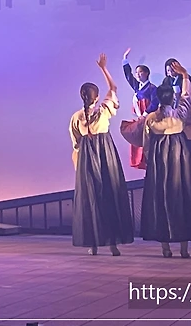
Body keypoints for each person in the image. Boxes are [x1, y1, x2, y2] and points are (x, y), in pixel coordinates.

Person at [139, 63, 191, 258]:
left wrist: (150, 159)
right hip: (179, 154)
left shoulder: (152, 118)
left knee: (161, 196)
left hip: (159, 156)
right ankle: (184, 249)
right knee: (183, 194)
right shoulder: (179, 113)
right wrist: (184, 76)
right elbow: (187, 97)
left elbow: (146, 143)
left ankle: (165, 248)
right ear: (172, 98)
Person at [70, 53, 135, 256]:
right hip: (105, 155)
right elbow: (113, 88)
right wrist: (103, 68)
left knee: (91, 198)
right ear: (96, 97)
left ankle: (94, 245)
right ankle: (112, 244)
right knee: (109, 195)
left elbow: (76, 145)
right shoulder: (104, 110)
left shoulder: (76, 117)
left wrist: (78, 166)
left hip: (87, 159)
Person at [121, 47, 158, 170]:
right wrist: (125, 59)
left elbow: (154, 103)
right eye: (136, 72)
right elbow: (128, 76)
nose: (137, 74)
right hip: (140, 119)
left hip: (149, 119)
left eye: (140, 72)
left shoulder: (152, 88)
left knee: (150, 142)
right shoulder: (137, 87)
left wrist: (145, 114)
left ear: (146, 73)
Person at [159, 58, 191, 155]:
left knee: (188, 143)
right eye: (168, 71)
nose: (171, 73)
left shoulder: (186, 78)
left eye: (173, 70)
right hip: (171, 113)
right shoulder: (166, 80)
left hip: (185, 111)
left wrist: (181, 98)